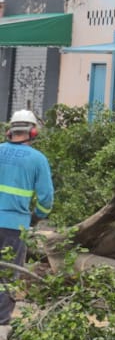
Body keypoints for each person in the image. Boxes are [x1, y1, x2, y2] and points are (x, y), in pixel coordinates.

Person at [0, 110, 54, 326]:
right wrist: (37, 217)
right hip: (15, 226)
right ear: (33, 132)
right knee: (8, 274)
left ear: (9, 131)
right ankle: (2, 321)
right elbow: (46, 198)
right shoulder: (37, 159)